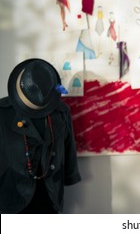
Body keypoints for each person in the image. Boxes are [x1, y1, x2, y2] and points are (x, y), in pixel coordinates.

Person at [0, 58, 81, 213]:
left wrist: (70, 175)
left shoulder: (61, 112)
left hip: (50, 200)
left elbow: (68, 150)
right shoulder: (3, 113)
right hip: (11, 200)